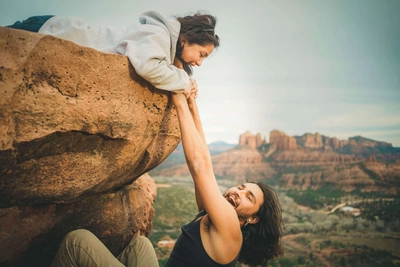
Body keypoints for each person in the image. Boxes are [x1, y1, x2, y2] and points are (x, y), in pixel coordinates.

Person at [50, 88, 284, 267]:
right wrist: (193, 105)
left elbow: (200, 166)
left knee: (77, 242)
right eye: (242, 186)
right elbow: (206, 161)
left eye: (248, 197)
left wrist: (178, 99)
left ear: (252, 219)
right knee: (139, 247)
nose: (238, 192)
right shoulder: (214, 215)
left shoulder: (230, 229)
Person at [6, 11, 220, 96]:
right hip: (49, 30)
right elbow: (148, 66)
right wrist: (183, 81)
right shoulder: (159, 34)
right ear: (184, 40)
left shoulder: (163, 41)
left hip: (52, 31)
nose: (199, 63)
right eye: (201, 54)